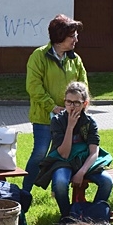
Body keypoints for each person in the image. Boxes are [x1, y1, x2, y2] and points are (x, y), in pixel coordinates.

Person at [22, 14, 88, 194]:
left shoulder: (75, 59)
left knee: (61, 156)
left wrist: (77, 107)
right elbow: (33, 86)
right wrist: (52, 107)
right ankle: (25, 192)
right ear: (60, 36)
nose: (76, 39)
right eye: (72, 35)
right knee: (40, 154)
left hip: (70, 119)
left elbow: (83, 85)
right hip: (44, 118)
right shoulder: (39, 56)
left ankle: (57, 189)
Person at [34, 81, 113, 225]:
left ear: (85, 103)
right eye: (68, 102)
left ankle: (92, 217)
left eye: (76, 103)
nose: (72, 106)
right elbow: (63, 154)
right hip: (63, 161)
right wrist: (70, 127)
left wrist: (82, 172)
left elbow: (94, 152)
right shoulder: (58, 121)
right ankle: (68, 217)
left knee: (107, 181)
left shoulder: (90, 122)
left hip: (85, 161)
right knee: (59, 183)